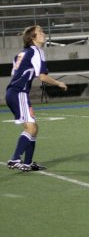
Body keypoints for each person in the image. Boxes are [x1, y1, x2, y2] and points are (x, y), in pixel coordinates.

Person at [6, 24, 68, 172]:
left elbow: (14, 73)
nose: (43, 33)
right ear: (33, 38)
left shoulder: (21, 54)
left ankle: (27, 163)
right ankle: (15, 159)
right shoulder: (37, 51)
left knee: (33, 128)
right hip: (19, 93)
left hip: (14, 93)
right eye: (40, 32)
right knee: (31, 128)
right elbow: (42, 77)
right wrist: (58, 83)